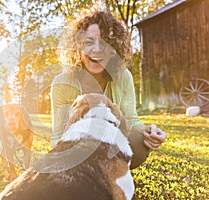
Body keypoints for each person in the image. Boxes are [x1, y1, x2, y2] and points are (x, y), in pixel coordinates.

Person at [50, 10, 167, 169]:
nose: (97, 49)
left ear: (114, 49)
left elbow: (131, 119)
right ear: (78, 48)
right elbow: (58, 135)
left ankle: (111, 173)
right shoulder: (61, 83)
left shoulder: (123, 77)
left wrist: (147, 130)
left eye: (105, 42)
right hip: (77, 147)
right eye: (89, 42)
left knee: (139, 143)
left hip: (109, 141)